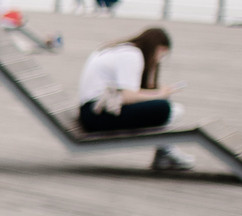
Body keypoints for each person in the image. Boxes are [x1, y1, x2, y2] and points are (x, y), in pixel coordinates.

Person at [76, 25, 193, 170]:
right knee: (168, 109)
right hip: (97, 115)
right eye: (162, 54)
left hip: (92, 111)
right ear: (159, 48)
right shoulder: (131, 55)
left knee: (163, 105)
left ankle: (165, 153)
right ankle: (165, 153)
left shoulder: (121, 50)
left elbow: (128, 92)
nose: (159, 60)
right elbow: (128, 97)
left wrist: (156, 89)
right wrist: (160, 94)